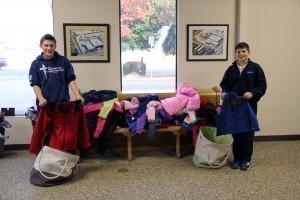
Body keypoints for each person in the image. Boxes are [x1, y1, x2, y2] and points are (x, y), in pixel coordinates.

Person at [220, 42, 267, 171]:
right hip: (234, 105)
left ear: (249, 53)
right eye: (239, 52)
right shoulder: (231, 69)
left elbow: (262, 86)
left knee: (247, 133)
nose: (241, 54)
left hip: (249, 106)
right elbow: (224, 85)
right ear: (236, 54)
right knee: (237, 133)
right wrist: (224, 92)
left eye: (244, 51)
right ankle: (237, 159)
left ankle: (246, 160)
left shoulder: (256, 68)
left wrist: (252, 93)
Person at [29, 34, 84, 113]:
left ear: (55, 46)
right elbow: (35, 84)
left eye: (52, 45)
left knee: (63, 125)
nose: (49, 48)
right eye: (46, 45)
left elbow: (71, 79)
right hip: (44, 104)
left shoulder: (63, 60)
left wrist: (77, 95)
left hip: (62, 104)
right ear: (40, 46)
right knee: (45, 126)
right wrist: (41, 98)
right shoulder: (35, 64)